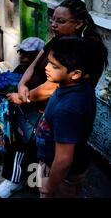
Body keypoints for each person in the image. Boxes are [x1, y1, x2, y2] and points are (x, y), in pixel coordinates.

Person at [0, 0, 108, 198]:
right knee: (36, 149)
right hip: (36, 101)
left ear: (79, 24)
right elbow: (37, 62)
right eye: (53, 19)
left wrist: (25, 98)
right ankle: (31, 182)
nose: (53, 24)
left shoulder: (84, 52)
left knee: (37, 148)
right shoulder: (58, 40)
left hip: (46, 108)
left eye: (60, 21)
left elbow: (52, 87)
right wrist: (22, 85)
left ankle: (31, 183)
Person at [37, 37, 106, 198]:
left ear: (75, 74)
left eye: (54, 66)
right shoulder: (76, 87)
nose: (46, 68)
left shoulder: (68, 109)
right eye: (48, 62)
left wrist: (50, 185)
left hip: (61, 175)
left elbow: (63, 160)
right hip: (49, 161)